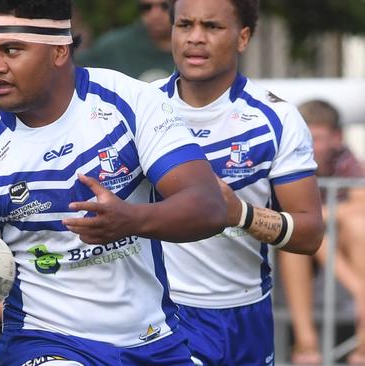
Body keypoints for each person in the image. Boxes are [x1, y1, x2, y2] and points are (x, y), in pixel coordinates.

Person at [0, 0, 229, 364]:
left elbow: (209, 206)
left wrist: (132, 220)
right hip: (46, 345)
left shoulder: (130, 103)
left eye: (12, 51)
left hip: (155, 340)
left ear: (59, 50)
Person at [153, 0, 324, 364]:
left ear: (242, 37)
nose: (195, 39)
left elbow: (310, 233)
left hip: (246, 315)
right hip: (163, 313)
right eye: (184, 25)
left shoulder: (276, 118)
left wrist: (240, 214)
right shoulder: (140, 108)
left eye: (212, 27)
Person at [279, 99, 365, 365]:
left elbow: (360, 202)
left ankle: (362, 342)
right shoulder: (288, 159)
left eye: (316, 137)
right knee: (297, 241)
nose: (310, 144)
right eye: (306, 135)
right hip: (303, 245)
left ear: (336, 138)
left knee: (357, 226)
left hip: (338, 240)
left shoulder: (344, 159)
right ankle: (307, 342)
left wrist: (321, 215)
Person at [76, 0, 174, 81]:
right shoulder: (115, 46)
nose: (155, 15)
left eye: (165, 6)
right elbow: (74, 66)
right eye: (146, 7)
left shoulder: (186, 47)